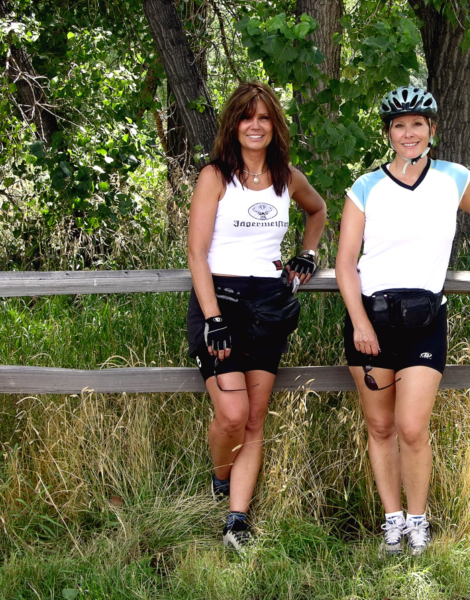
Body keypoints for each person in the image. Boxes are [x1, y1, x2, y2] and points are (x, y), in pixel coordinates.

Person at [335, 86, 470, 556]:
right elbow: (346, 262)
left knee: (411, 426)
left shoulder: (454, 178)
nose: (408, 133)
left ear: (432, 129)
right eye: (399, 126)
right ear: (388, 133)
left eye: (417, 124)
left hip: (426, 320)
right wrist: (360, 322)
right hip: (371, 321)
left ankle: (418, 522)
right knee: (381, 427)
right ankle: (392, 523)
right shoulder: (365, 187)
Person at [187, 82, 326, 552]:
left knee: (254, 419)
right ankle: (220, 479)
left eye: (264, 117)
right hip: (220, 303)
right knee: (232, 413)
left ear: (275, 125)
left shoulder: (286, 175)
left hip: (268, 304)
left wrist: (307, 254)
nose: (255, 125)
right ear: (234, 124)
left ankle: (236, 521)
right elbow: (196, 253)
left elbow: (318, 209)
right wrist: (212, 317)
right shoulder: (215, 176)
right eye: (247, 117)